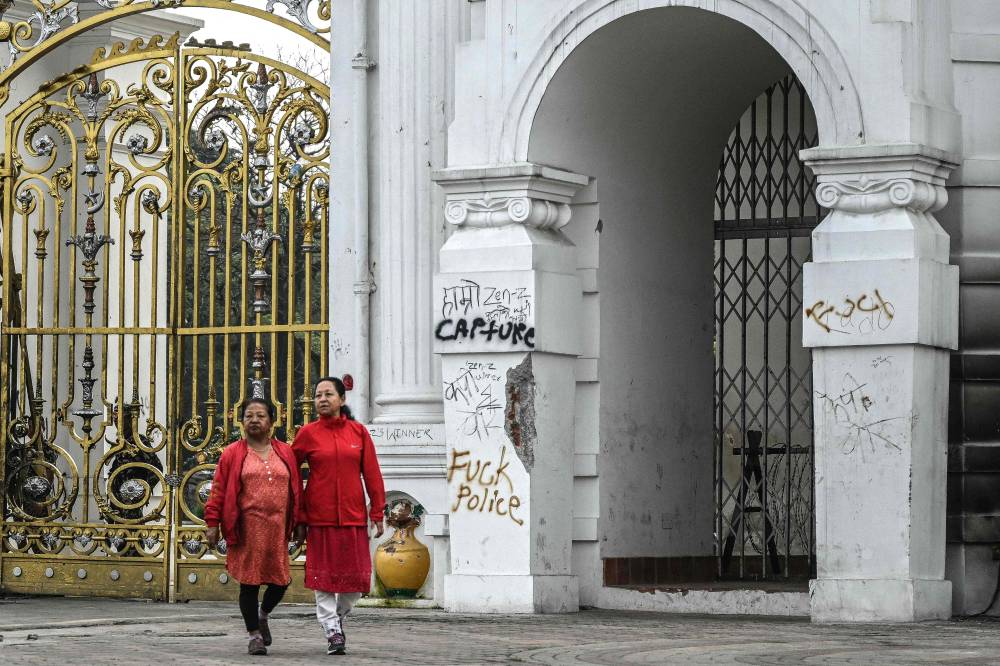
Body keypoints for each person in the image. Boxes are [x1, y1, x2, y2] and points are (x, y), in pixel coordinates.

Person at [293, 376, 386, 656]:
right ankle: (332, 630)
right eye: (318, 395)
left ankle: (337, 618)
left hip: (353, 516)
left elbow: (372, 474)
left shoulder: (358, 433)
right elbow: (290, 470)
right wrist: (298, 513)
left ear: (342, 399)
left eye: (328, 394)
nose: (322, 399)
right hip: (319, 518)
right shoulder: (307, 434)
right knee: (323, 580)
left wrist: (377, 511)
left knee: (355, 582)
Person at [204, 398, 303, 656]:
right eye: (249, 415)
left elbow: (296, 490)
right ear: (242, 421)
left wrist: (300, 522)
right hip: (247, 528)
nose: (254, 420)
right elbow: (218, 491)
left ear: (271, 421)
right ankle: (254, 635)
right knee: (249, 584)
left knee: (280, 581)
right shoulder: (232, 453)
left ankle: (263, 614)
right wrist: (212, 523)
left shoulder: (286, 452)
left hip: (277, 528)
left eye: (260, 415)